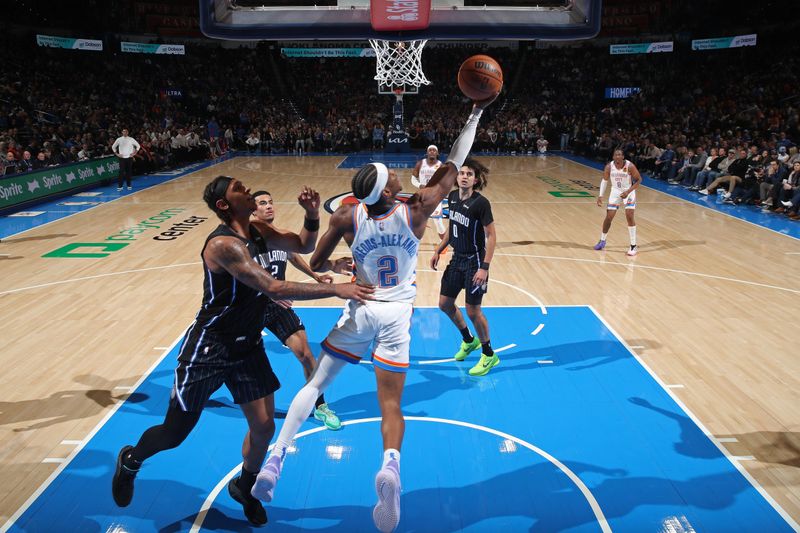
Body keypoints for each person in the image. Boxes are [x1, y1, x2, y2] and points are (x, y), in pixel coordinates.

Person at [251, 93, 498, 533]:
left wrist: (337, 269)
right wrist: (476, 112)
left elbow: (317, 260)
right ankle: (390, 468)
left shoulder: (347, 218)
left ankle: (276, 460)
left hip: (360, 308)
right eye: (392, 176)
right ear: (387, 190)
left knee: (316, 383)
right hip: (395, 316)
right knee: (391, 405)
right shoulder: (417, 209)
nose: (399, 175)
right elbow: (457, 156)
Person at [112, 176, 374, 526]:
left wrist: (312, 215)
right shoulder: (224, 244)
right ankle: (130, 461)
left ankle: (245, 486)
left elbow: (303, 245)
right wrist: (336, 289)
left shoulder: (259, 231)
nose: (249, 191)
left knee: (264, 427)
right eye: (239, 189)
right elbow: (272, 285)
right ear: (224, 204)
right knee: (174, 433)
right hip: (211, 345)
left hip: (247, 344)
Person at [251, 190, 352, 430]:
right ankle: (196, 383)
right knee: (228, 359)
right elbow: (242, 277)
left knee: (306, 354)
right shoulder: (246, 240)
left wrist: (316, 276)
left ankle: (320, 406)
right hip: (250, 308)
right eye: (262, 203)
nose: (269, 206)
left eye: (271, 201)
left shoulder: (280, 236)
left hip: (279, 304)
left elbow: (294, 257)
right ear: (252, 211)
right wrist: (270, 293)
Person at [430, 158, 497, 376]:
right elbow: (452, 227)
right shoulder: (453, 197)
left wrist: (484, 267)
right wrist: (439, 248)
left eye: (469, 174)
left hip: (475, 261)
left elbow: (492, 235)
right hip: (457, 258)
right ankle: (469, 340)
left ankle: (489, 354)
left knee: (473, 310)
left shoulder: (481, 203)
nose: (465, 176)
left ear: (476, 179)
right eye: (462, 173)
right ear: (457, 177)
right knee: (444, 304)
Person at [594, 148, 642, 256]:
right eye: (615, 155)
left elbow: (639, 180)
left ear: (623, 157)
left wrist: (628, 191)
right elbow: (604, 180)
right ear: (613, 157)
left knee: (629, 215)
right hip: (615, 191)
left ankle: (633, 246)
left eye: (619, 154)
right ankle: (602, 240)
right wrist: (600, 196)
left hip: (628, 191)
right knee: (609, 217)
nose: (617, 156)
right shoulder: (609, 167)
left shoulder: (629, 166)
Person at [410, 145, 446, 242]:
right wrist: (419, 185)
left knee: (437, 221)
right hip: (423, 196)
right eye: (430, 150)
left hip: (435, 196)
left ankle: (443, 243)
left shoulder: (441, 165)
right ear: (427, 152)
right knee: (417, 220)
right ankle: (413, 241)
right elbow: (413, 179)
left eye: (434, 150)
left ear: (437, 153)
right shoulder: (420, 163)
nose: (432, 151)